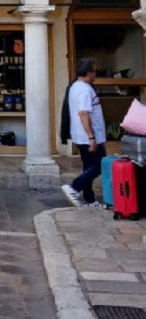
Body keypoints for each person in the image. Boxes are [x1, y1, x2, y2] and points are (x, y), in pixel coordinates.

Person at [62, 57, 106, 209]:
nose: (96, 75)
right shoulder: (84, 89)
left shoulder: (75, 86)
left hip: (82, 136)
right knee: (100, 165)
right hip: (89, 137)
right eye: (95, 71)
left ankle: (89, 199)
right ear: (89, 73)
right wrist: (91, 137)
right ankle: (74, 187)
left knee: (88, 167)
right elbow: (83, 113)